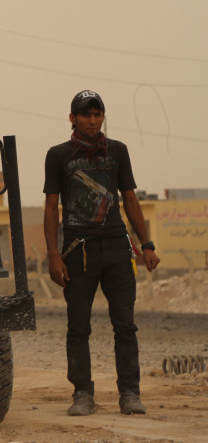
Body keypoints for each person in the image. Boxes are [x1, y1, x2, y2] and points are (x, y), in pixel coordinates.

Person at [44, 90, 160, 417]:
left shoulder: (118, 152)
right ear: (73, 118)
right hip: (78, 252)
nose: (93, 121)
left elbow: (130, 199)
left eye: (98, 115)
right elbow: (51, 207)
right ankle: (82, 393)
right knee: (78, 326)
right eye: (86, 115)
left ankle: (130, 393)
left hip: (117, 248)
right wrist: (54, 255)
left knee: (125, 324)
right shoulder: (58, 156)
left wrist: (147, 245)